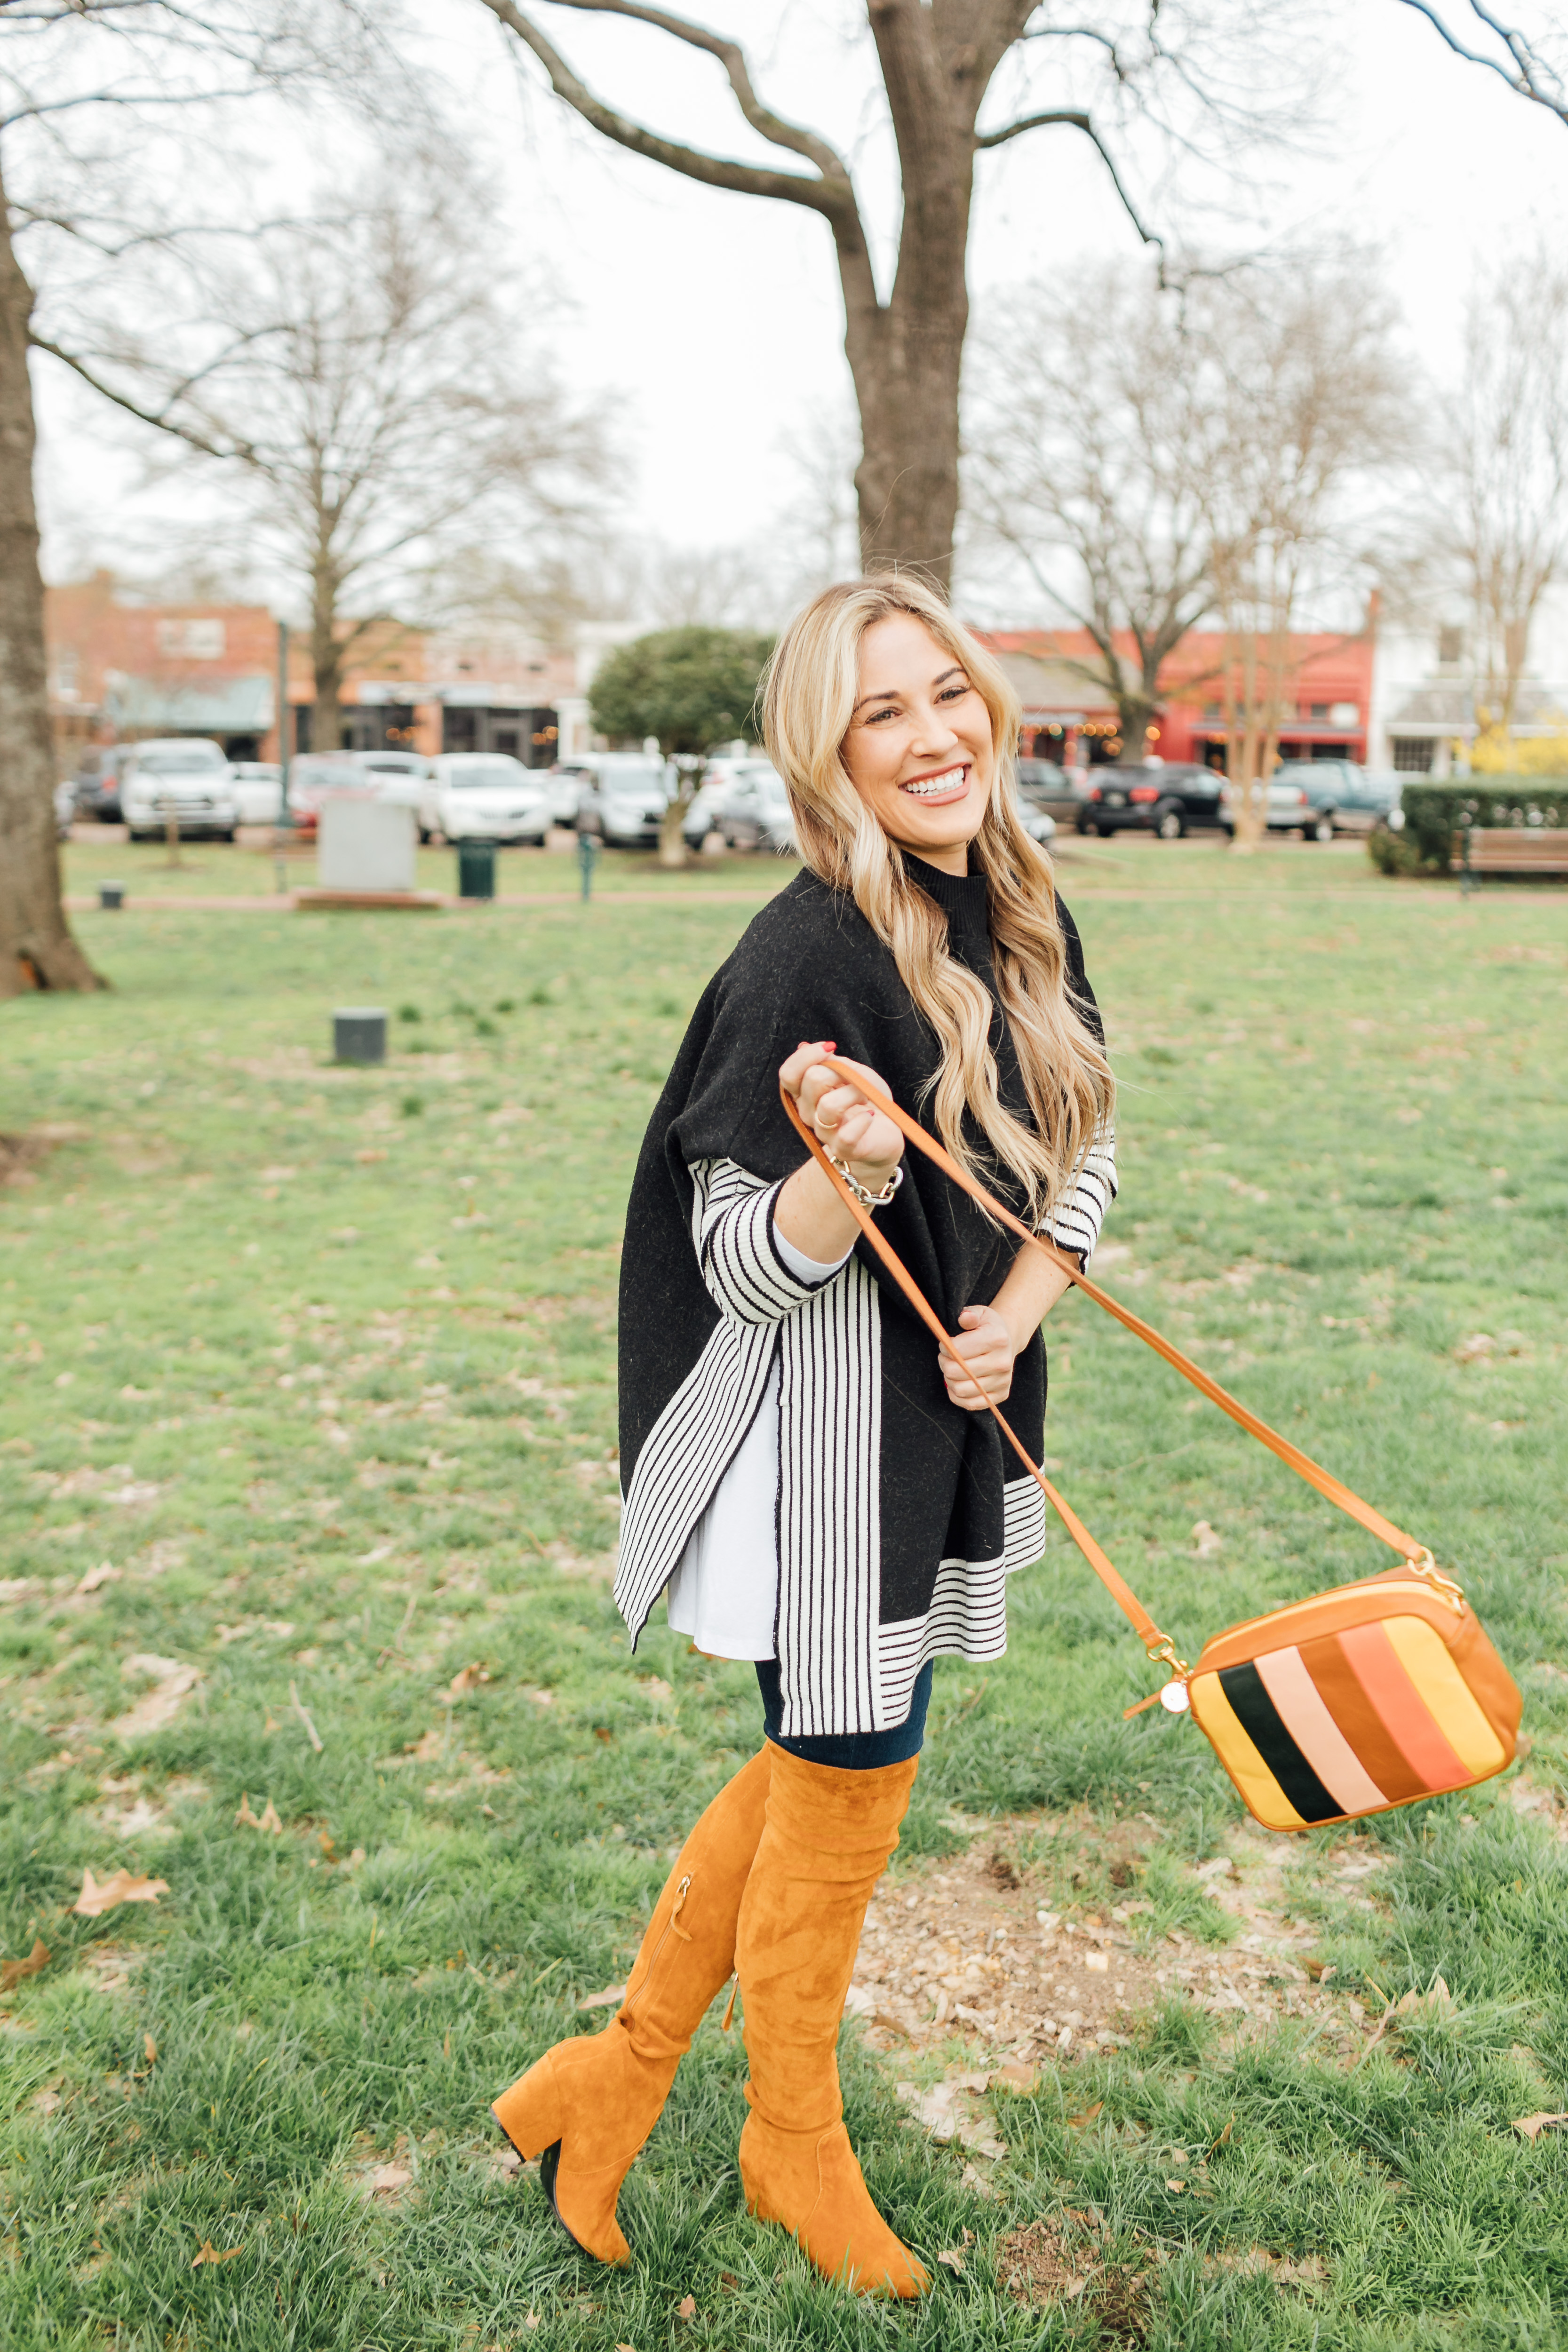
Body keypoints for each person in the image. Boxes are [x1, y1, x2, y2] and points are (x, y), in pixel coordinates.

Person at [491, 576, 1117, 2297]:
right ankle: (791, 2144)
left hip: (946, 1419)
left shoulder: (1014, 903)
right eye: (881, 715)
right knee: (853, 1772)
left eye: (948, 696)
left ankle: (604, 2085)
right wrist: (838, 1196)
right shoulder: (801, 948)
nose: (933, 740)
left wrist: (1011, 1313)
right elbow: (726, 1261)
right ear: (824, 752)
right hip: (820, 1469)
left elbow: (1086, 1154)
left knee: (824, 1767)